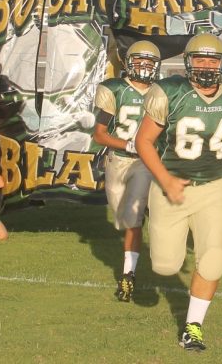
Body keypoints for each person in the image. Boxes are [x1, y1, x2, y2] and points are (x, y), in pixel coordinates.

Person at [135, 33, 222, 352]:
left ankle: (193, 326)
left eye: (213, 60)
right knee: (165, 265)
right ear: (188, 62)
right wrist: (165, 179)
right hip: (172, 186)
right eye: (200, 59)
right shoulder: (170, 92)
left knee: (213, 260)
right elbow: (143, 141)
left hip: (216, 185)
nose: (206, 65)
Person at [91, 40, 161, 302]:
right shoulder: (115, 89)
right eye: (139, 61)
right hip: (117, 160)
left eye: (149, 62)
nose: (144, 67)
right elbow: (99, 134)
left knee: (133, 218)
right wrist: (128, 143)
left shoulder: (161, 92)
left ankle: (127, 275)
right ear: (129, 63)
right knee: (124, 219)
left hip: (144, 162)